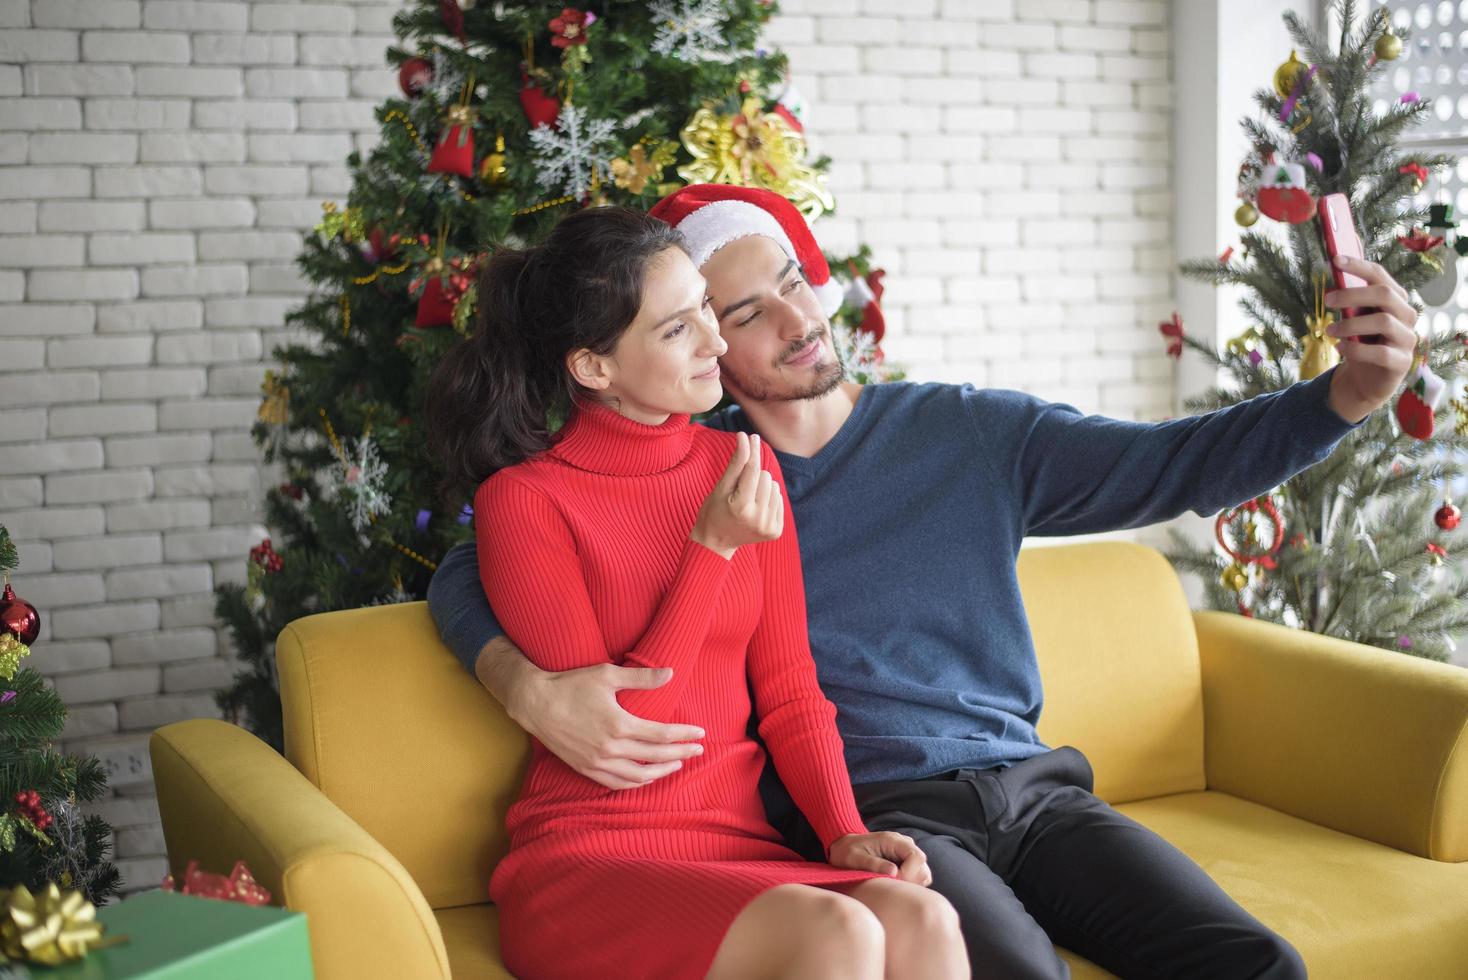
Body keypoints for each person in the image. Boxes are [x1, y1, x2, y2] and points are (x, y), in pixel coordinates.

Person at [429, 184, 1420, 978]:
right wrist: (516, 676)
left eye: (791, 281)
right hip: (885, 804)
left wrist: (1344, 395)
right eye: (735, 313)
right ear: (697, 345)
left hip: (1033, 788)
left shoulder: (965, 434)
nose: (795, 318)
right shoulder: (706, 468)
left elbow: (1173, 465)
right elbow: (479, 563)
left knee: (1257, 961)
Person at [423, 204, 968, 980]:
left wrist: (842, 831)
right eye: (677, 328)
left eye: (705, 311)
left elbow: (789, 689)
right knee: (836, 934)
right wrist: (709, 552)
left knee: (924, 918)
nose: (715, 341)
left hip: (737, 845)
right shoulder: (527, 501)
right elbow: (625, 739)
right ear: (593, 367)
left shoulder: (740, 465)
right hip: (592, 858)